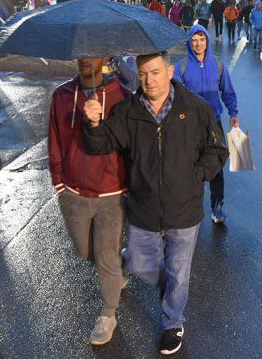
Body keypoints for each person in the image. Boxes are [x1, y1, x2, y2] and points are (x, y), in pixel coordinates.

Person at [83, 51, 228, 355]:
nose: (148, 80)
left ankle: (172, 322)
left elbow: (217, 149)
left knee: (178, 271)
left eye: (155, 73)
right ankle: (129, 259)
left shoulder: (197, 108)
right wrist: (94, 123)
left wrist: (197, 175)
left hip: (184, 209)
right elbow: (99, 145)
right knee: (144, 262)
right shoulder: (127, 111)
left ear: (170, 71)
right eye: (143, 74)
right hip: (143, 207)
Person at [48, 57, 131, 345]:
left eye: (92, 51)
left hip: (111, 192)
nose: (85, 57)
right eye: (80, 52)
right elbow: (55, 141)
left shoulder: (122, 96)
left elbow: (128, 144)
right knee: (86, 253)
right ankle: (119, 269)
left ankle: (109, 313)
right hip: (73, 193)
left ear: (104, 57)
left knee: (105, 254)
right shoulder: (61, 96)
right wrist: (59, 184)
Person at [174, 25, 239, 223]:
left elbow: (227, 91)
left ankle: (217, 205)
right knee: (189, 165)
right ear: (189, 42)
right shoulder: (182, 66)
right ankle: (190, 206)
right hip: (191, 125)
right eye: (194, 39)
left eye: (201, 39)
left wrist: (233, 113)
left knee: (216, 166)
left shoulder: (217, 64)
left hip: (214, 123)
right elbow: (173, 94)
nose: (198, 43)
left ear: (207, 41)